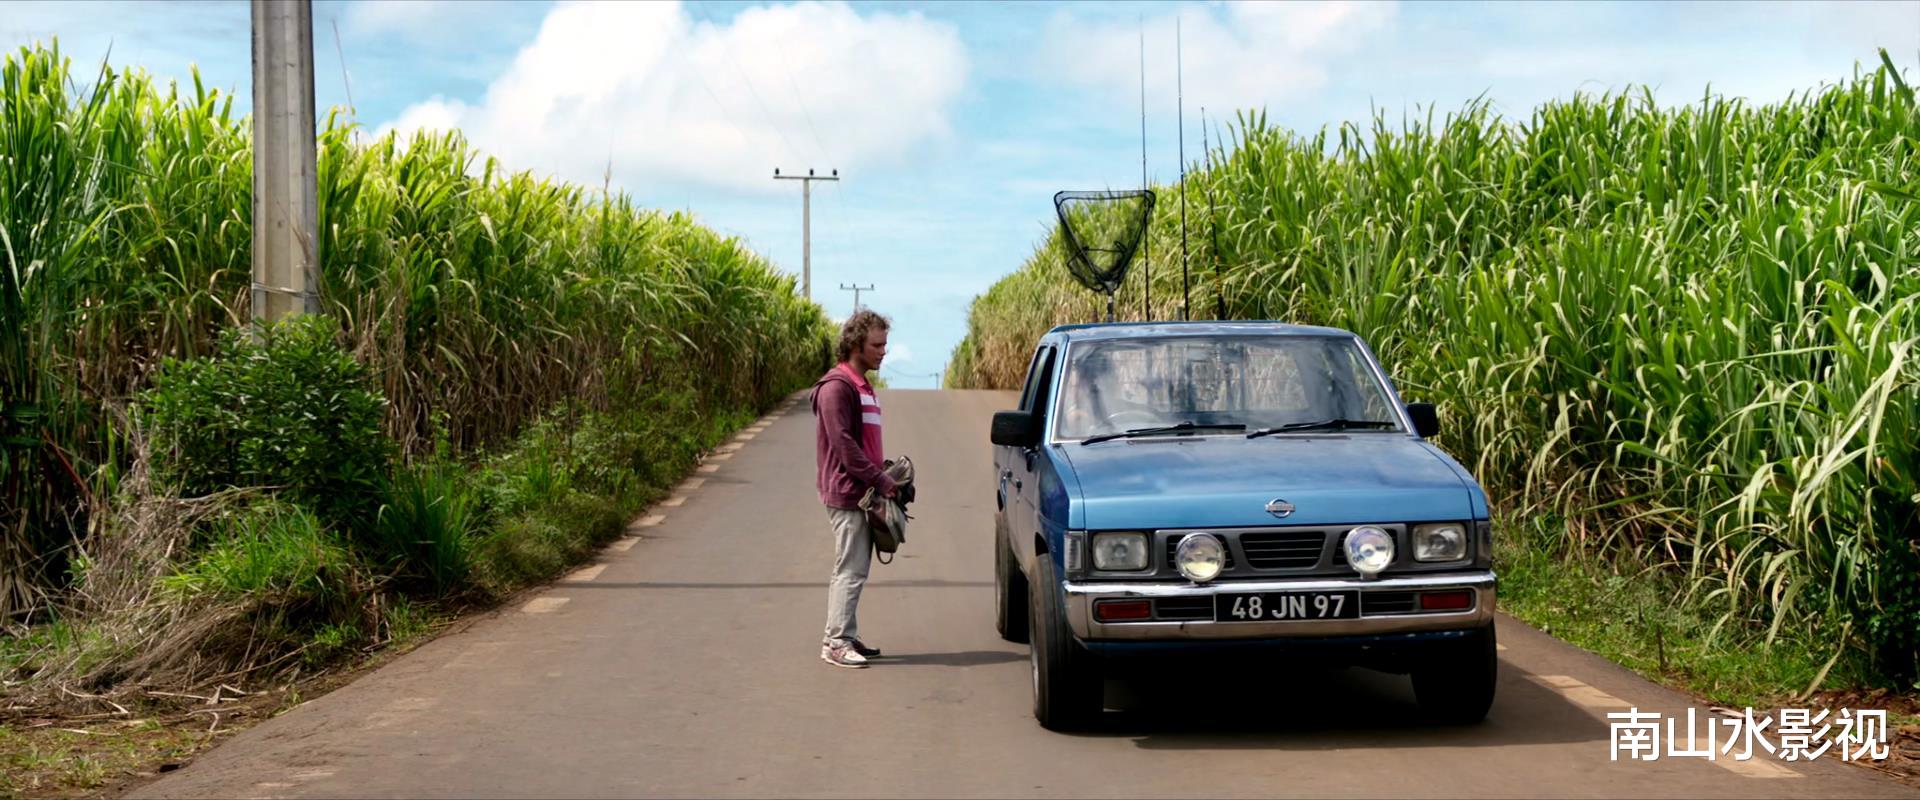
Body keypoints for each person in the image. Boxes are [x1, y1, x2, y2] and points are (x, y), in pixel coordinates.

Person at [811, 309, 896, 669]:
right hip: (849, 493)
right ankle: (836, 642)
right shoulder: (836, 388)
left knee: (855, 567)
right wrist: (881, 481)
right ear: (856, 344)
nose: (883, 351)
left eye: (885, 344)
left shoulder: (861, 385)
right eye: (877, 344)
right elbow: (844, 446)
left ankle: (845, 633)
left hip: (862, 491)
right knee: (850, 568)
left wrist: (884, 471)